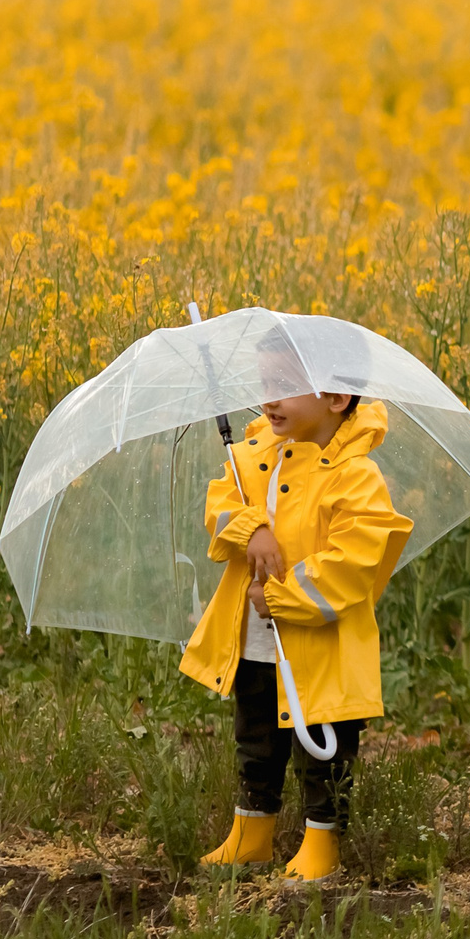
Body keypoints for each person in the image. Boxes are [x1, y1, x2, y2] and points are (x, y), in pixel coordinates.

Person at [180, 334, 414, 882]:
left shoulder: (356, 476)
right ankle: (252, 833)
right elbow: (219, 507)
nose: (269, 398)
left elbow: (353, 562)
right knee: (255, 739)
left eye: (284, 384)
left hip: (323, 644)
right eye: (265, 382)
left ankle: (322, 842)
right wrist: (251, 528)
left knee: (325, 753)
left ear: (336, 398)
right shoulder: (249, 457)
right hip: (254, 638)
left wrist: (282, 597)